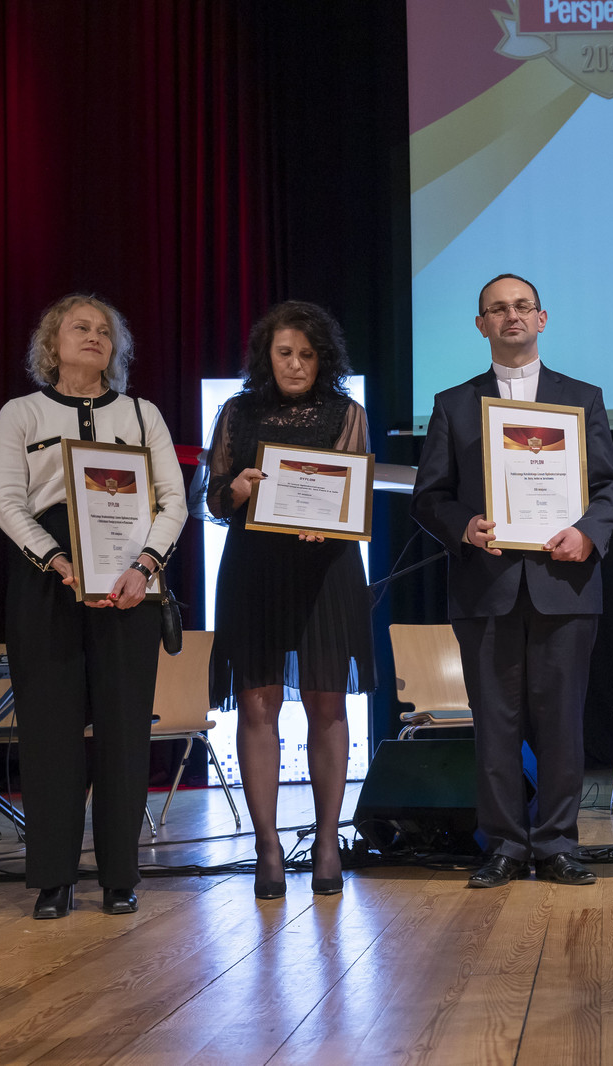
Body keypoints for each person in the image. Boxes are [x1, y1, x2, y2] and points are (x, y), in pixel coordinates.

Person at [411, 273, 613, 889]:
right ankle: (504, 844)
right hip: (486, 585)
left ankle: (557, 844)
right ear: (481, 325)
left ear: (542, 318)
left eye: (523, 306)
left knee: (562, 724)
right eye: (498, 309)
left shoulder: (582, 398)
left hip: (565, 583)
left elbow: (610, 487)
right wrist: (464, 526)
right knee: (495, 725)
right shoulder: (453, 404)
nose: (512, 316)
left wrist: (588, 533)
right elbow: (430, 497)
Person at [0, 294, 187, 918]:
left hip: (130, 578)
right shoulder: (20, 413)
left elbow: (173, 502)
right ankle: (54, 877)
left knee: (125, 731)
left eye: (105, 330)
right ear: (52, 342)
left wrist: (144, 566)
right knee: (49, 731)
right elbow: (7, 503)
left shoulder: (142, 413)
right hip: (46, 578)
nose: (95, 335)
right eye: (80, 327)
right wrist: (56, 560)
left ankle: (120, 875)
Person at [196, 301, 373, 898]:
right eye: (284, 352)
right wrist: (238, 489)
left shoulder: (347, 413)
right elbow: (213, 500)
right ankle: (267, 846)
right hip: (255, 572)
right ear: (265, 356)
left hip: (327, 571)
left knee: (328, 705)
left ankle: (326, 842)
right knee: (257, 707)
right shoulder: (237, 412)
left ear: (323, 359)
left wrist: (331, 523)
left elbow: (352, 496)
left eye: (307, 354)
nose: (295, 364)